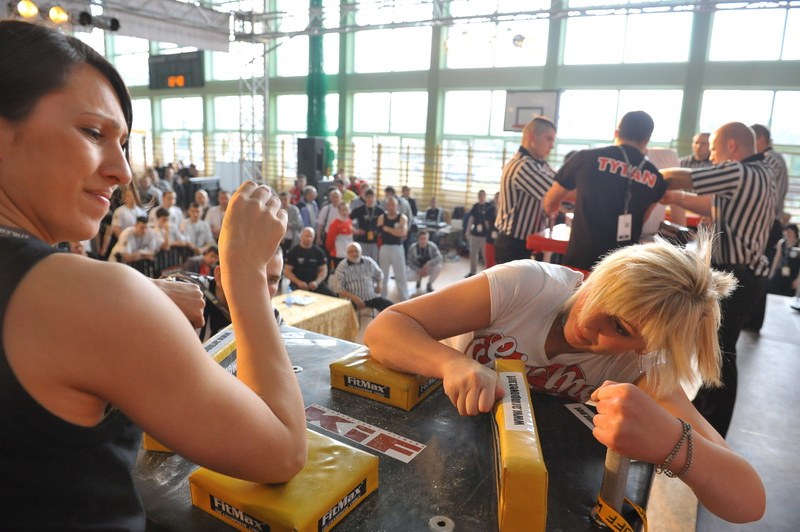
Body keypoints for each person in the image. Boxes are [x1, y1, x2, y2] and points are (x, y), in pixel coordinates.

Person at [0, 20, 306, 529]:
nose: (123, 171)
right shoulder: (93, 298)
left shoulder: (74, 293)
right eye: (93, 132)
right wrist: (246, 271)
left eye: (124, 144)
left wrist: (140, 292)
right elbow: (282, 451)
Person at [364, 232, 765, 524]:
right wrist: (451, 363)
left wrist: (672, 443)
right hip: (445, 443)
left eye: (619, 328)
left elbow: (748, 500)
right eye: (599, 293)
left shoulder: (640, 366)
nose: (590, 320)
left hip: (535, 482)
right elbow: (387, 327)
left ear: (644, 347)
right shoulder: (526, 285)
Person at [660, 122, 775, 438]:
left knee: (721, 352)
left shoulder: (737, 172)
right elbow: (710, 204)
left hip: (737, 274)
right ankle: (703, 414)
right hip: (747, 273)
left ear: (732, 147)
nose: (711, 157)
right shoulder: (762, 173)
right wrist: (675, 198)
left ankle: (712, 430)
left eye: (713, 149)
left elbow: (684, 177)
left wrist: (648, 173)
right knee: (718, 348)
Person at [543, 111, 666, 271]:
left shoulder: (585, 158)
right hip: (621, 267)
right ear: (647, 139)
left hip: (580, 261)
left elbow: (550, 202)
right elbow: (642, 220)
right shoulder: (657, 179)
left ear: (616, 133)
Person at [494, 116, 557, 264]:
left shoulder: (539, 163)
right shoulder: (523, 165)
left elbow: (560, 185)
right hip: (513, 244)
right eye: (549, 139)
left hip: (528, 242)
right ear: (531, 137)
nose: (552, 145)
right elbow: (559, 192)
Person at [334, 242, 394, 312]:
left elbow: (379, 274)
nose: (354, 254)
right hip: (352, 300)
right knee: (341, 313)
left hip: (371, 297)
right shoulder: (342, 266)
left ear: (361, 252)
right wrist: (355, 298)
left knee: (392, 308)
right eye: (350, 252)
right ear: (346, 253)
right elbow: (338, 289)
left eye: (356, 251)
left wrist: (379, 285)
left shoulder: (368, 261)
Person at [284, 227, 337, 297]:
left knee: (333, 296)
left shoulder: (319, 252)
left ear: (313, 238)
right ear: (301, 236)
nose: (308, 238)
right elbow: (287, 271)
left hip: (314, 283)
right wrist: (298, 282)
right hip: (297, 283)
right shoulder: (293, 252)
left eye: (310, 236)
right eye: (306, 236)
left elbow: (324, 270)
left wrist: (316, 282)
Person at [377, 196, 409, 301]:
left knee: (401, 275)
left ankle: (404, 299)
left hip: (397, 248)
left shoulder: (402, 217)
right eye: (389, 205)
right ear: (386, 206)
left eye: (393, 205)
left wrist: (386, 228)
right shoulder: (382, 217)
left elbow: (402, 233)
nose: (391, 207)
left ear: (397, 206)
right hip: (384, 248)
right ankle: (382, 299)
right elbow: (379, 231)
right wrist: (395, 230)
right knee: (383, 275)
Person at [350, 187, 384, 262]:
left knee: (374, 263)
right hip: (361, 241)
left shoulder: (380, 211)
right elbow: (347, 220)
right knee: (362, 262)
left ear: (375, 198)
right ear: (364, 198)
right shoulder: (359, 210)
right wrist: (355, 231)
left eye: (372, 197)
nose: (370, 199)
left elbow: (384, 225)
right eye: (368, 197)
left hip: (375, 242)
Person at [767, 224, 800, 296]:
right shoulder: (781, 242)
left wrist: (798, 279)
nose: (787, 234)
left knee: (789, 293)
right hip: (781, 270)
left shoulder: (798, 244)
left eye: (790, 232)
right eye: (786, 231)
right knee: (773, 289)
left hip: (794, 272)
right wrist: (772, 272)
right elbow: (777, 258)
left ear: (795, 232)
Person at [406, 230, 443, 294]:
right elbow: (409, 262)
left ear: (428, 239)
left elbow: (440, 258)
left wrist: (429, 263)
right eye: (421, 239)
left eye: (425, 238)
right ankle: (418, 280)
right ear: (418, 239)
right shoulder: (412, 248)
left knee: (438, 267)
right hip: (417, 270)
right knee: (406, 277)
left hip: (428, 268)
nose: (423, 241)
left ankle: (429, 284)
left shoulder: (432, 246)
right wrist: (418, 270)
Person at [464, 190, 491, 277]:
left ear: (485, 195)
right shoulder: (475, 206)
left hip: (485, 235)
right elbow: (471, 218)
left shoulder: (489, 206)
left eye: (482, 195)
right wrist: (468, 230)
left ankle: (487, 274)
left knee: (485, 255)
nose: (481, 196)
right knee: (473, 254)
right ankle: (472, 272)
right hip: (474, 234)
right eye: (479, 195)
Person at [325, 201, 354, 271]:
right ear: (339, 211)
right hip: (338, 255)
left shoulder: (349, 221)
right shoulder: (334, 224)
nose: (345, 212)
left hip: (348, 254)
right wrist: (332, 251)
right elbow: (329, 242)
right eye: (342, 210)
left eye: (346, 210)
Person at [279, 191, 303, 256]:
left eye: (285, 199)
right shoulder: (278, 209)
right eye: (281, 199)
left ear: (289, 199)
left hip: (291, 236)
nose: (283, 201)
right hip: (280, 237)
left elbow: (298, 222)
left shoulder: (294, 209)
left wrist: (287, 224)